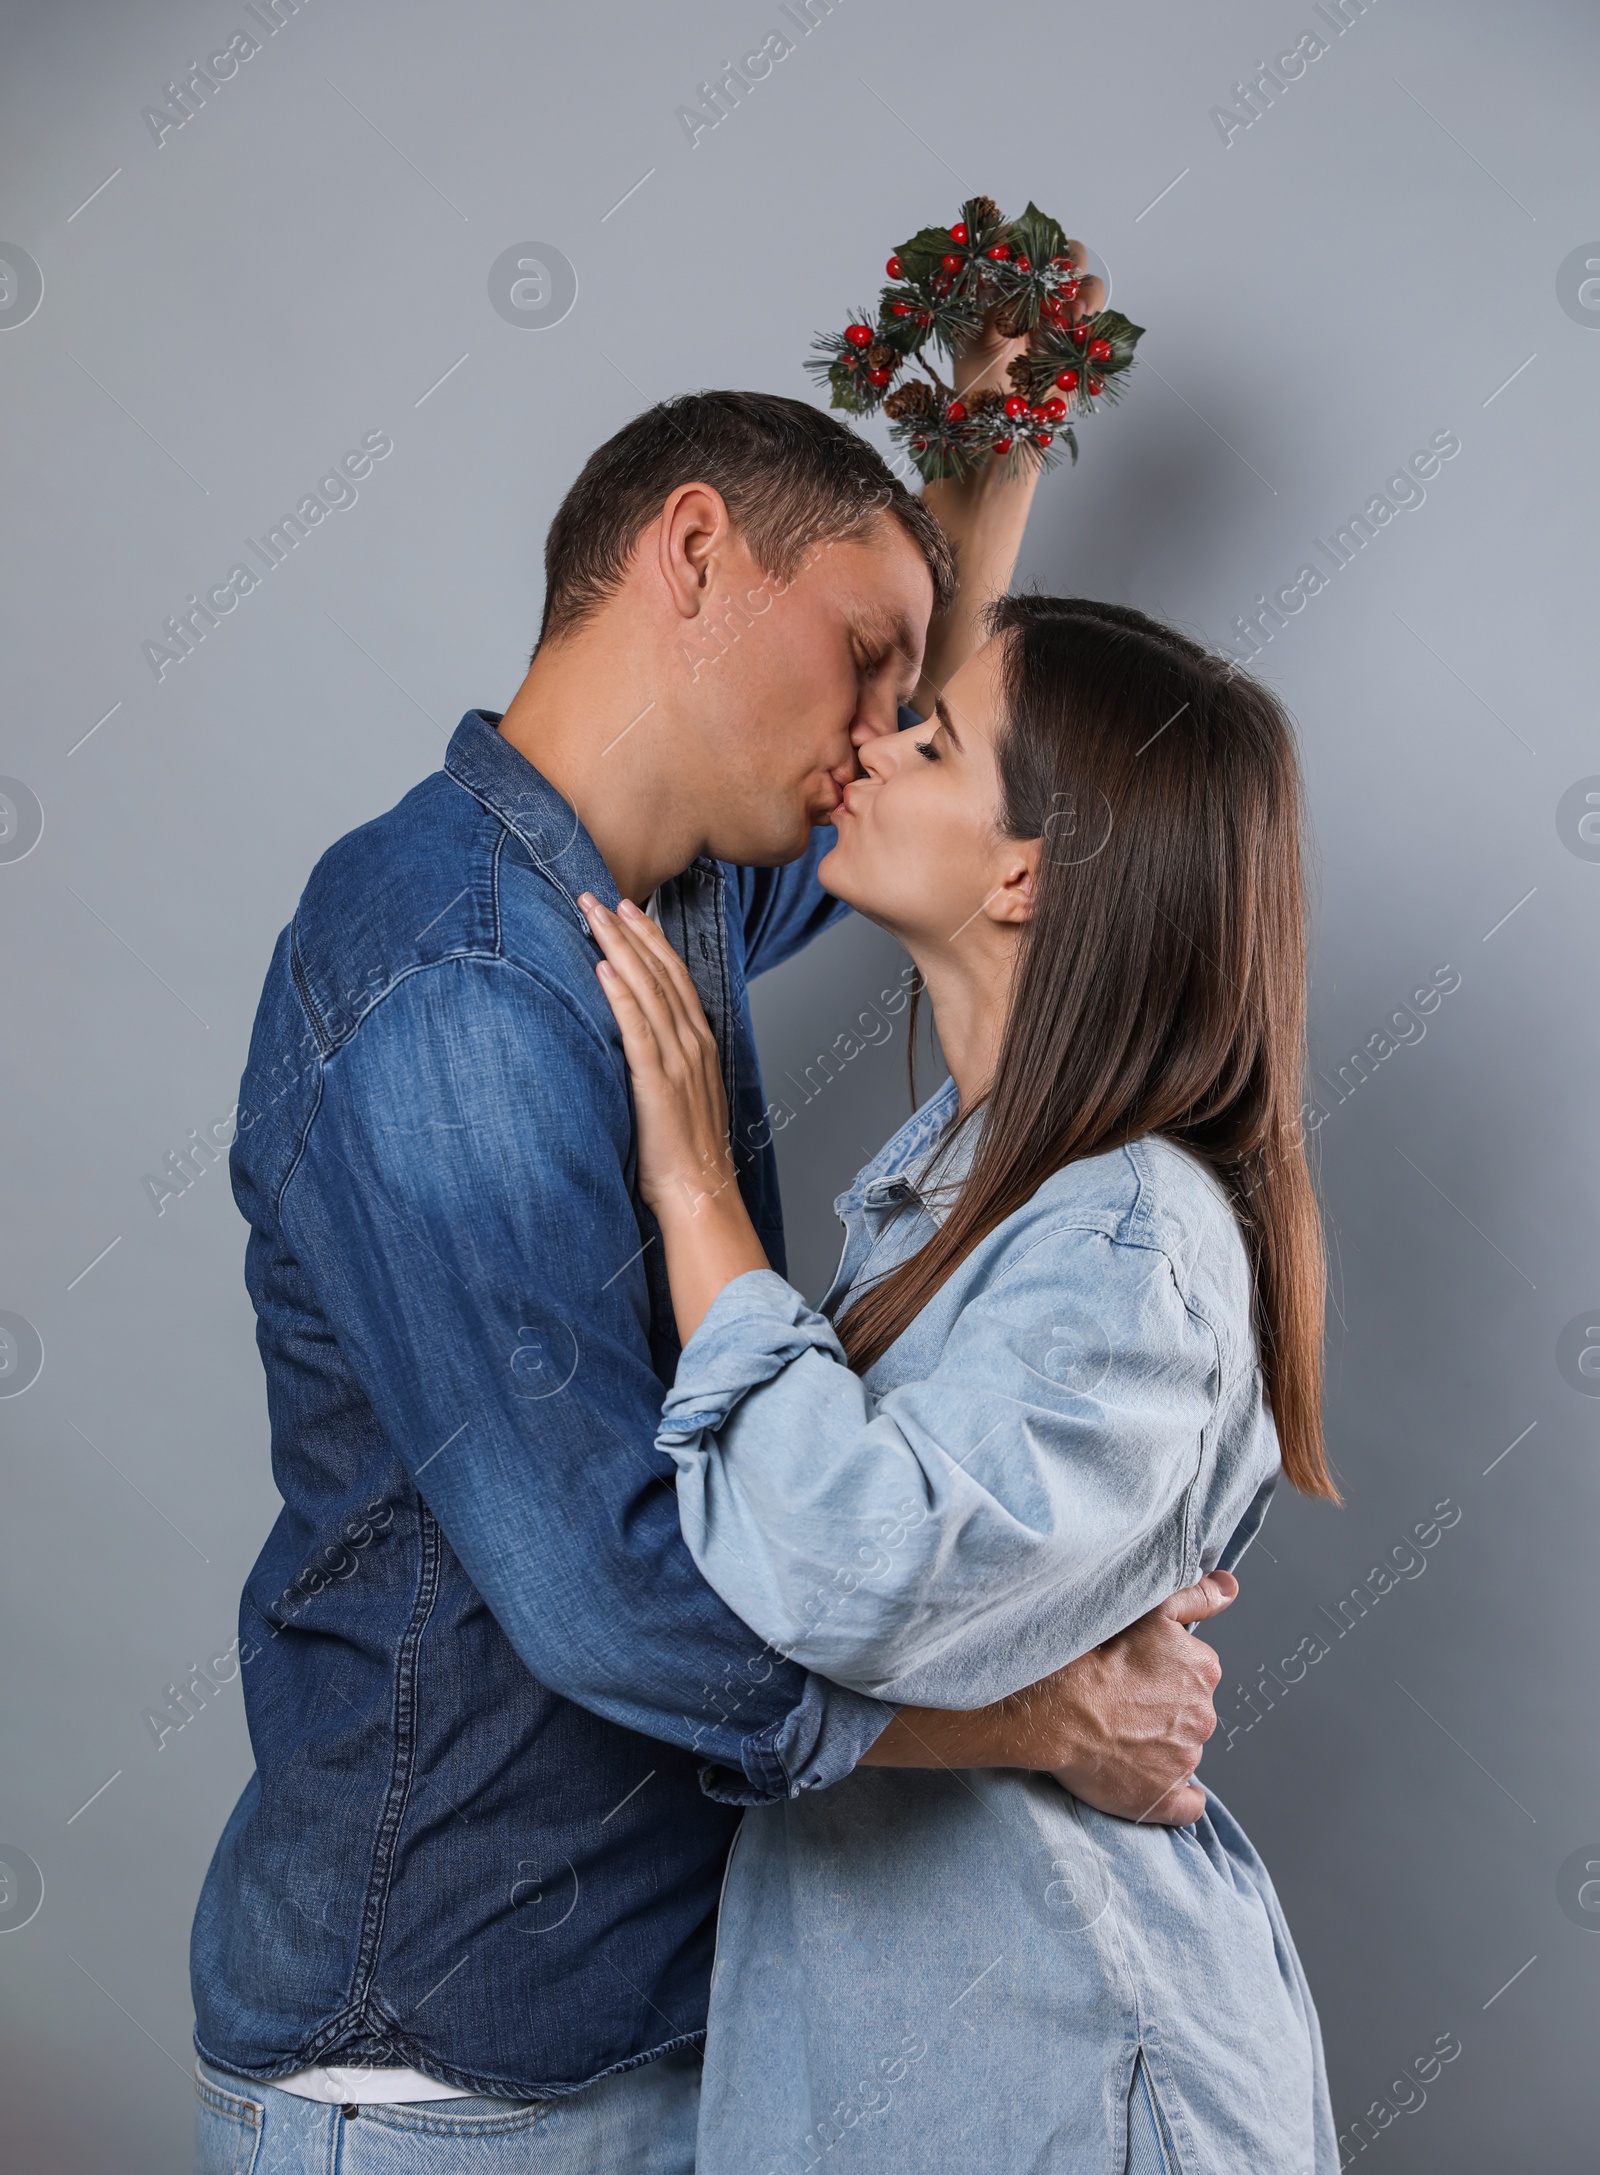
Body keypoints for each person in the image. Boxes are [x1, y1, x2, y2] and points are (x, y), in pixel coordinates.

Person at [191, 355, 1240, 2168]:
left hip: (653, 2026)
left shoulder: (651, 897)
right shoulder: (455, 978)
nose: (883, 733)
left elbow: (934, 837)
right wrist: (1039, 1714)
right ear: (693, 554)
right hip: (454, 2058)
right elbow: (610, 1598)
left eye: (918, 703)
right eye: (869, 659)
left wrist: (983, 466)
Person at [585, 592, 1341, 2173]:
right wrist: (1053, 1710)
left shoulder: (1128, 1235)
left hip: (1071, 2064)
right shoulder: (972, 1180)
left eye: (930, 741)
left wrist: (697, 1191)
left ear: (1024, 873)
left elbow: (847, 1569)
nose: (874, 743)